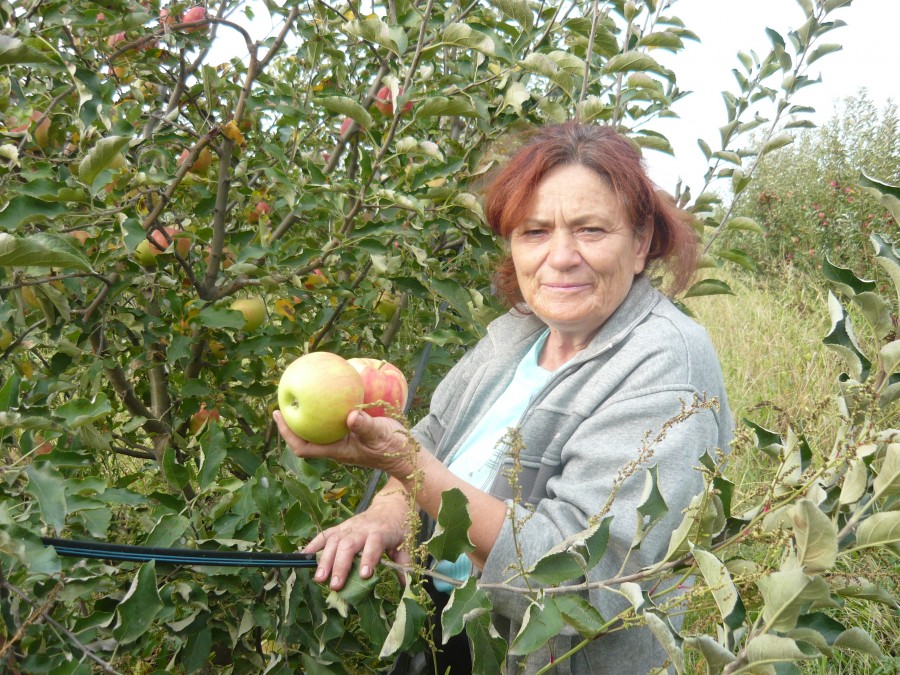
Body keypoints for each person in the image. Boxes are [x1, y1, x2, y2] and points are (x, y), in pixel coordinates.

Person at [273, 122, 733, 674]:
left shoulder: (666, 364)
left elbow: (585, 576)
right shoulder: (519, 332)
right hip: (447, 627)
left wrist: (406, 466)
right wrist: (387, 511)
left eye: (590, 230)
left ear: (639, 245)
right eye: (534, 232)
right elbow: (435, 437)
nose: (560, 257)